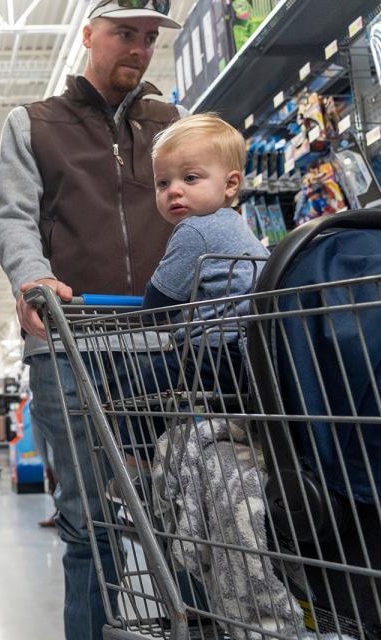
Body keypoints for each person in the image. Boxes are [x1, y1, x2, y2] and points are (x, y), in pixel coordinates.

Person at [0, 1, 182, 637]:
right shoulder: (34, 124)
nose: (138, 48)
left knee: (191, 510)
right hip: (71, 346)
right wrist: (31, 277)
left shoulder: (173, 123)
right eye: (125, 34)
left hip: (166, 344)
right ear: (88, 35)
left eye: (150, 38)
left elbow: (202, 203)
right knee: (89, 524)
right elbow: (14, 217)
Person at [113, 113, 270, 465]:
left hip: (212, 354)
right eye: (162, 183)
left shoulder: (194, 231)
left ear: (231, 184)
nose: (174, 191)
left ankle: (133, 466)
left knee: (133, 390)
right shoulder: (238, 227)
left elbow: (158, 303)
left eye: (189, 178)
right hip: (249, 355)